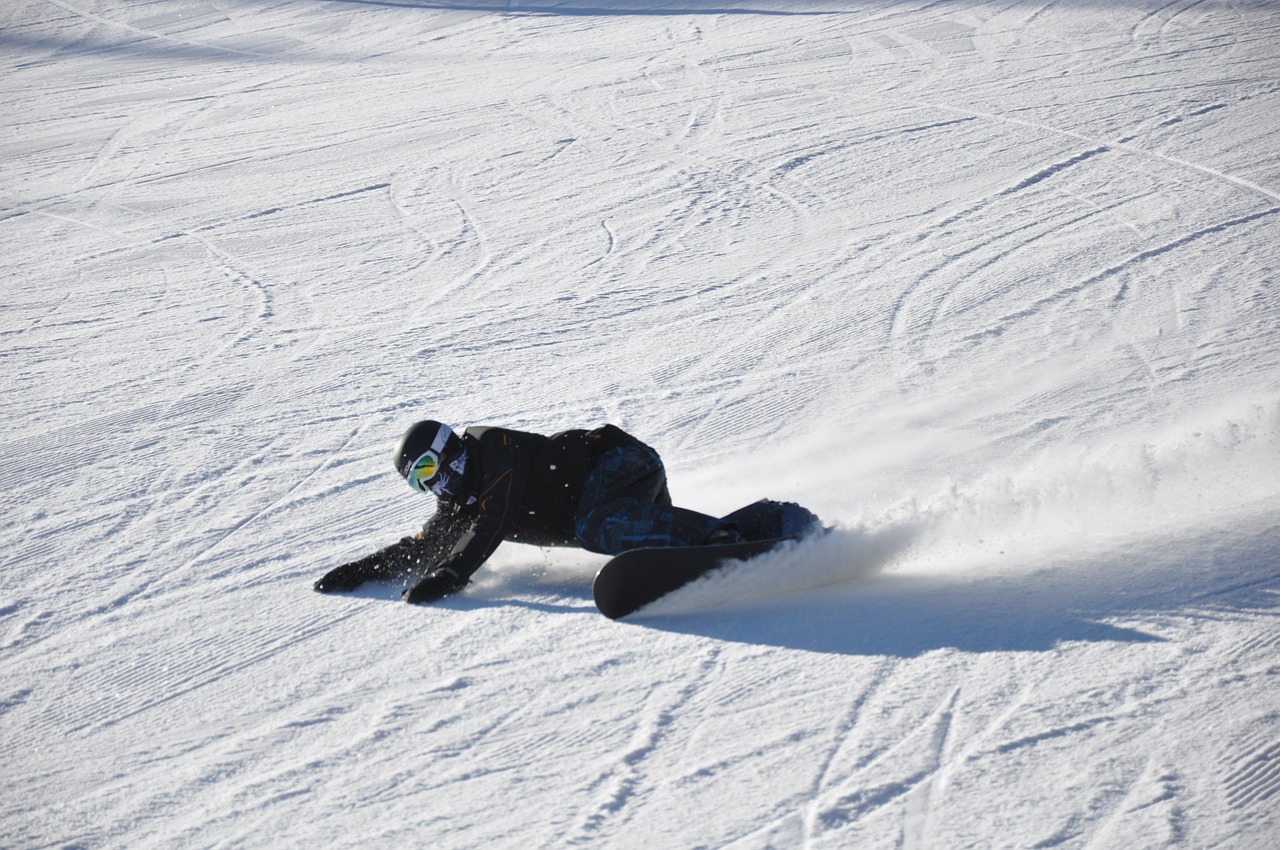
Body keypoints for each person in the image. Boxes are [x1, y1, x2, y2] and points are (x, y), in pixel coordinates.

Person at [314, 421, 821, 604]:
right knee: (624, 534)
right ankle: (766, 522)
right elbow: (423, 549)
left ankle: (726, 538)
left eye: (429, 468)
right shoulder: (460, 504)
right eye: (418, 482)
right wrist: (359, 572)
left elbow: (492, 522)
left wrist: (452, 576)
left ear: (448, 448)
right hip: (611, 497)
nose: (432, 485)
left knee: (595, 527)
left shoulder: (494, 451)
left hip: (619, 460)